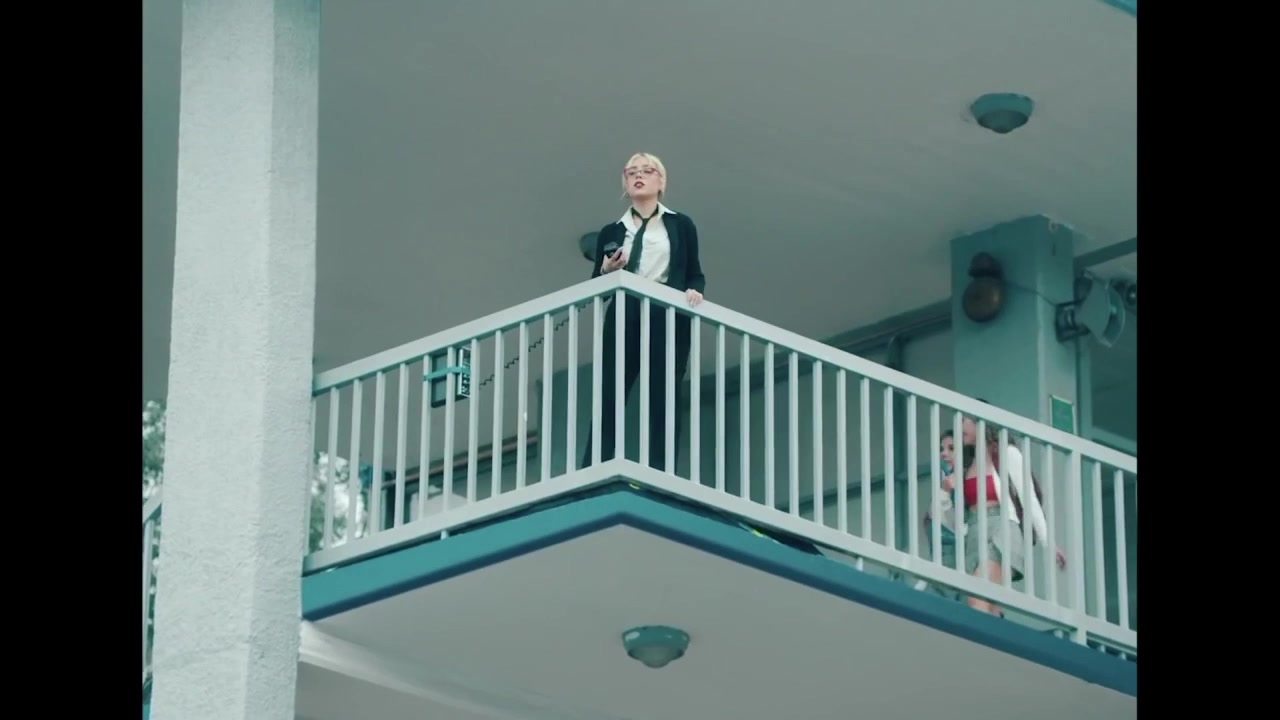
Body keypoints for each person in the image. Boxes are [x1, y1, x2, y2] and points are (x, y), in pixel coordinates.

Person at [581, 153, 707, 472]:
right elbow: (596, 285)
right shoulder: (612, 230)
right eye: (632, 172)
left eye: (647, 171)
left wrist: (694, 291)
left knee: (664, 394)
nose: (639, 176)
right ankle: (596, 464)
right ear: (625, 183)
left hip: (666, 313)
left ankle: (661, 469)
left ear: (661, 181)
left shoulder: (680, 224)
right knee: (612, 391)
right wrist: (607, 270)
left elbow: (694, 273)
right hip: (625, 312)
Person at [944, 417, 1067, 616]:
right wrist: (947, 491)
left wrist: (1048, 543)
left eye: (965, 420)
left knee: (977, 597)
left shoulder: (1006, 453)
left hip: (1001, 530)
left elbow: (1029, 498)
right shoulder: (966, 463)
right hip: (973, 535)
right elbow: (955, 514)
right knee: (989, 606)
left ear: (979, 422)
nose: (960, 426)